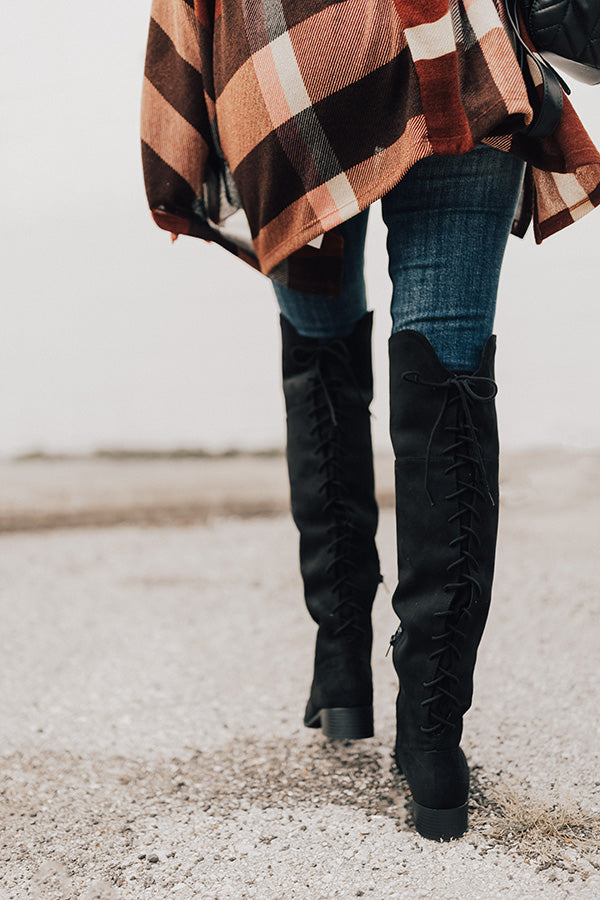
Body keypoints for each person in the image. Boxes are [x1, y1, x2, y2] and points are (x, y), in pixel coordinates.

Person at [141, 0, 600, 840]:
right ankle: (432, 741)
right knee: (449, 355)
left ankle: (343, 665)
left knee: (321, 343)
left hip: (286, 52)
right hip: (456, 45)